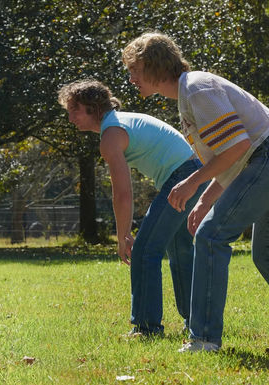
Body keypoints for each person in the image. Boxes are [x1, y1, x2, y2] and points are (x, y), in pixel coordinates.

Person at [122, 31, 269, 352]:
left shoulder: (196, 88)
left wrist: (193, 183)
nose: (130, 78)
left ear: (152, 65)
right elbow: (231, 159)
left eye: (134, 69)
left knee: (211, 236)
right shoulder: (189, 95)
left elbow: (238, 148)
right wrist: (204, 203)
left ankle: (204, 339)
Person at [57, 79, 206, 337]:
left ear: (93, 108)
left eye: (75, 110)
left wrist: (123, 236)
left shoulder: (111, 135)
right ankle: (196, 321)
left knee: (145, 250)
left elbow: (123, 194)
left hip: (184, 176)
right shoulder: (119, 123)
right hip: (196, 172)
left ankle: (147, 328)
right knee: (180, 249)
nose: (70, 118)